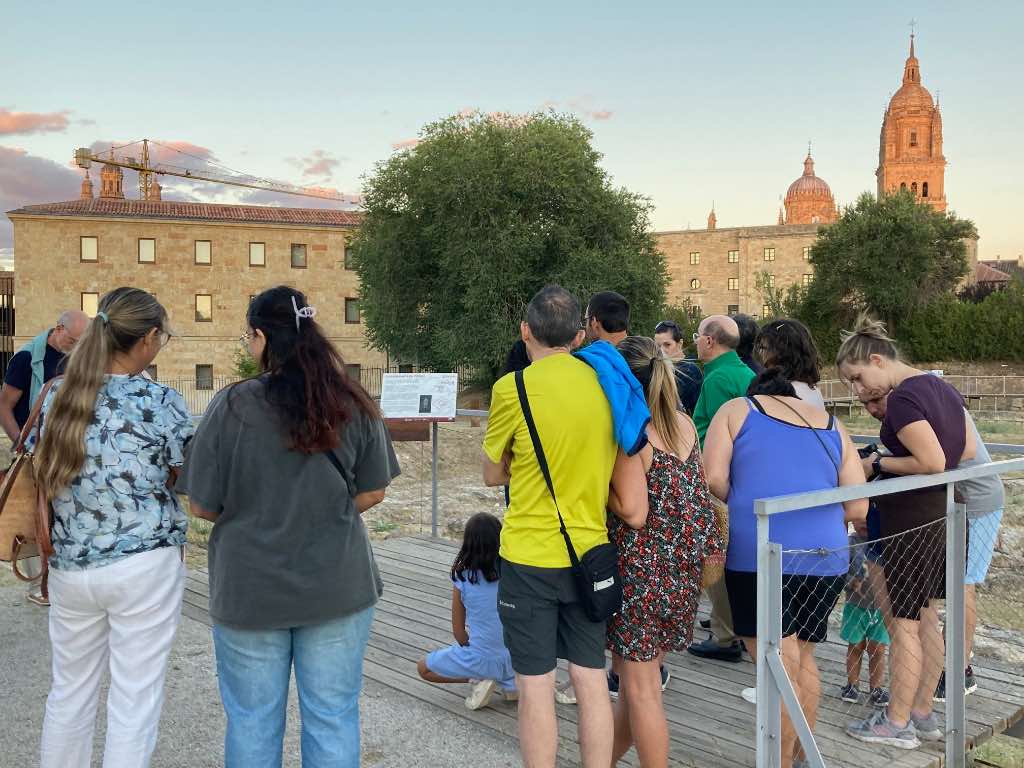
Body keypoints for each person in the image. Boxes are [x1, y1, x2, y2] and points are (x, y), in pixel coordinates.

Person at [177, 286, 400, 768]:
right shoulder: (353, 400)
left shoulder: (231, 405)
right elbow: (374, 489)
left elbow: (201, 505)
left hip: (250, 587)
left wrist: (258, 513)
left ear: (260, 336)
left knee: (253, 720)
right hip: (337, 583)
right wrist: (321, 511)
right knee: (334, 716)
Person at [482, 284, 646, 768]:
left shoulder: (511, 388)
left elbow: (493, 473)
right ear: (578, 335)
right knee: (591, 679)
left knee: (535, 684)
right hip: (590, 553)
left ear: (525, 330)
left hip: (528, 556)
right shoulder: (603, 383)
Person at [32, 288, 192, 768]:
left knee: (69, 691)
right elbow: (186, 476)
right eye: (162, 336)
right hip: (144, 562)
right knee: (133, 700)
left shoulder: (56, 394)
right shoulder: (160, 400)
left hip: (69, 563)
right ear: (146, 339)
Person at [702, 368, 868, 768]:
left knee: (776, 668)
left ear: (755, 393)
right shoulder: (832, 424)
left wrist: (744, 497)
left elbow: (713, 479)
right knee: (803, 659)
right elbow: (858, 506)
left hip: (758, 553)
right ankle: (800, 756)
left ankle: (778, 761)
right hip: (826, 556)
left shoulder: (734, 411)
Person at [838, 317, 975, 750]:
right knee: (926, 617)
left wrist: (877, 464)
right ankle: (921, 712)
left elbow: (932, 460)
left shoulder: (904, 398)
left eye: (858, 378)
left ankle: (895, 723)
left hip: (908, 521)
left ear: (877, 359)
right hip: (943, 512)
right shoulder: (940, 388)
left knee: (902, 625)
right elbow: (966, 450)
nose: (859, 390)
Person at [606, 336, 723, 767]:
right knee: (637, 684)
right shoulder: (684, 424)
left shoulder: (632, 435)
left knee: (640, 689)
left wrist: (604, 494)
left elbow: (634, 513)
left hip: (640, 574)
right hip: (681, 575)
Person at [859, 389, 1003, 703]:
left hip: (969, 500)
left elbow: (937, 459)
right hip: (950, 502)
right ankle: (934, 678)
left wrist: (880, 463)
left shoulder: (914, 404)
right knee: (932, 606)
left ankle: (958, 672)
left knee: (960, 586)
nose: (871, 408)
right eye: (863, 402)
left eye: (874, 398)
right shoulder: (921, 402)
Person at [688, 314, 755, 663]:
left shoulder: (717, 379)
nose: (695, 341)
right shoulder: (745, 372)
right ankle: (738, 628)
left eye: (697, 336)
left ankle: (725, 634)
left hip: (717, 482)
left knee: (716, 558)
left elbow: (716, 439)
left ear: (711, 341)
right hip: (744, 480)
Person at [417, 512, 517, 710]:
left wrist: (472, 651)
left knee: (423, 668)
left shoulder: (463, 578)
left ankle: (479, 677)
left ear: (467, 544)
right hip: (516, 655)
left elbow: (459, 633)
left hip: (481, 657)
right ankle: (511, 684)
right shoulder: (512, 573)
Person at [0, 309, 88, 441]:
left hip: (64, 447)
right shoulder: (26, 358)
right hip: (33, 447)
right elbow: (4, 406)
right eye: (72, 341)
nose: (76, 347)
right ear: (59, 329)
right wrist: (20, 445)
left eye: (80, 343)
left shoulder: (73, 359)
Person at [840, 534, 891, 708]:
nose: (863, 519)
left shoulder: (887, 538)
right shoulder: (851, 543)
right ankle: (852, 685)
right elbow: (839, 569)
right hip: (856, 605)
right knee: (855, 646)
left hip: (882, 607)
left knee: (878, 649)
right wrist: (850, 582)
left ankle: (876, 688)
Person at [753, 318, 826, 409]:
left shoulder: (780, 394)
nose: (760, 353)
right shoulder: (813, 392)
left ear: (781, 353)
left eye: (763, 347)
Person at [654, 319, 703, 415]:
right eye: (657, 346)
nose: (661, 350)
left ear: (680, 344)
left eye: (667, 345)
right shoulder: (655, 367)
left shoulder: (691, 371)